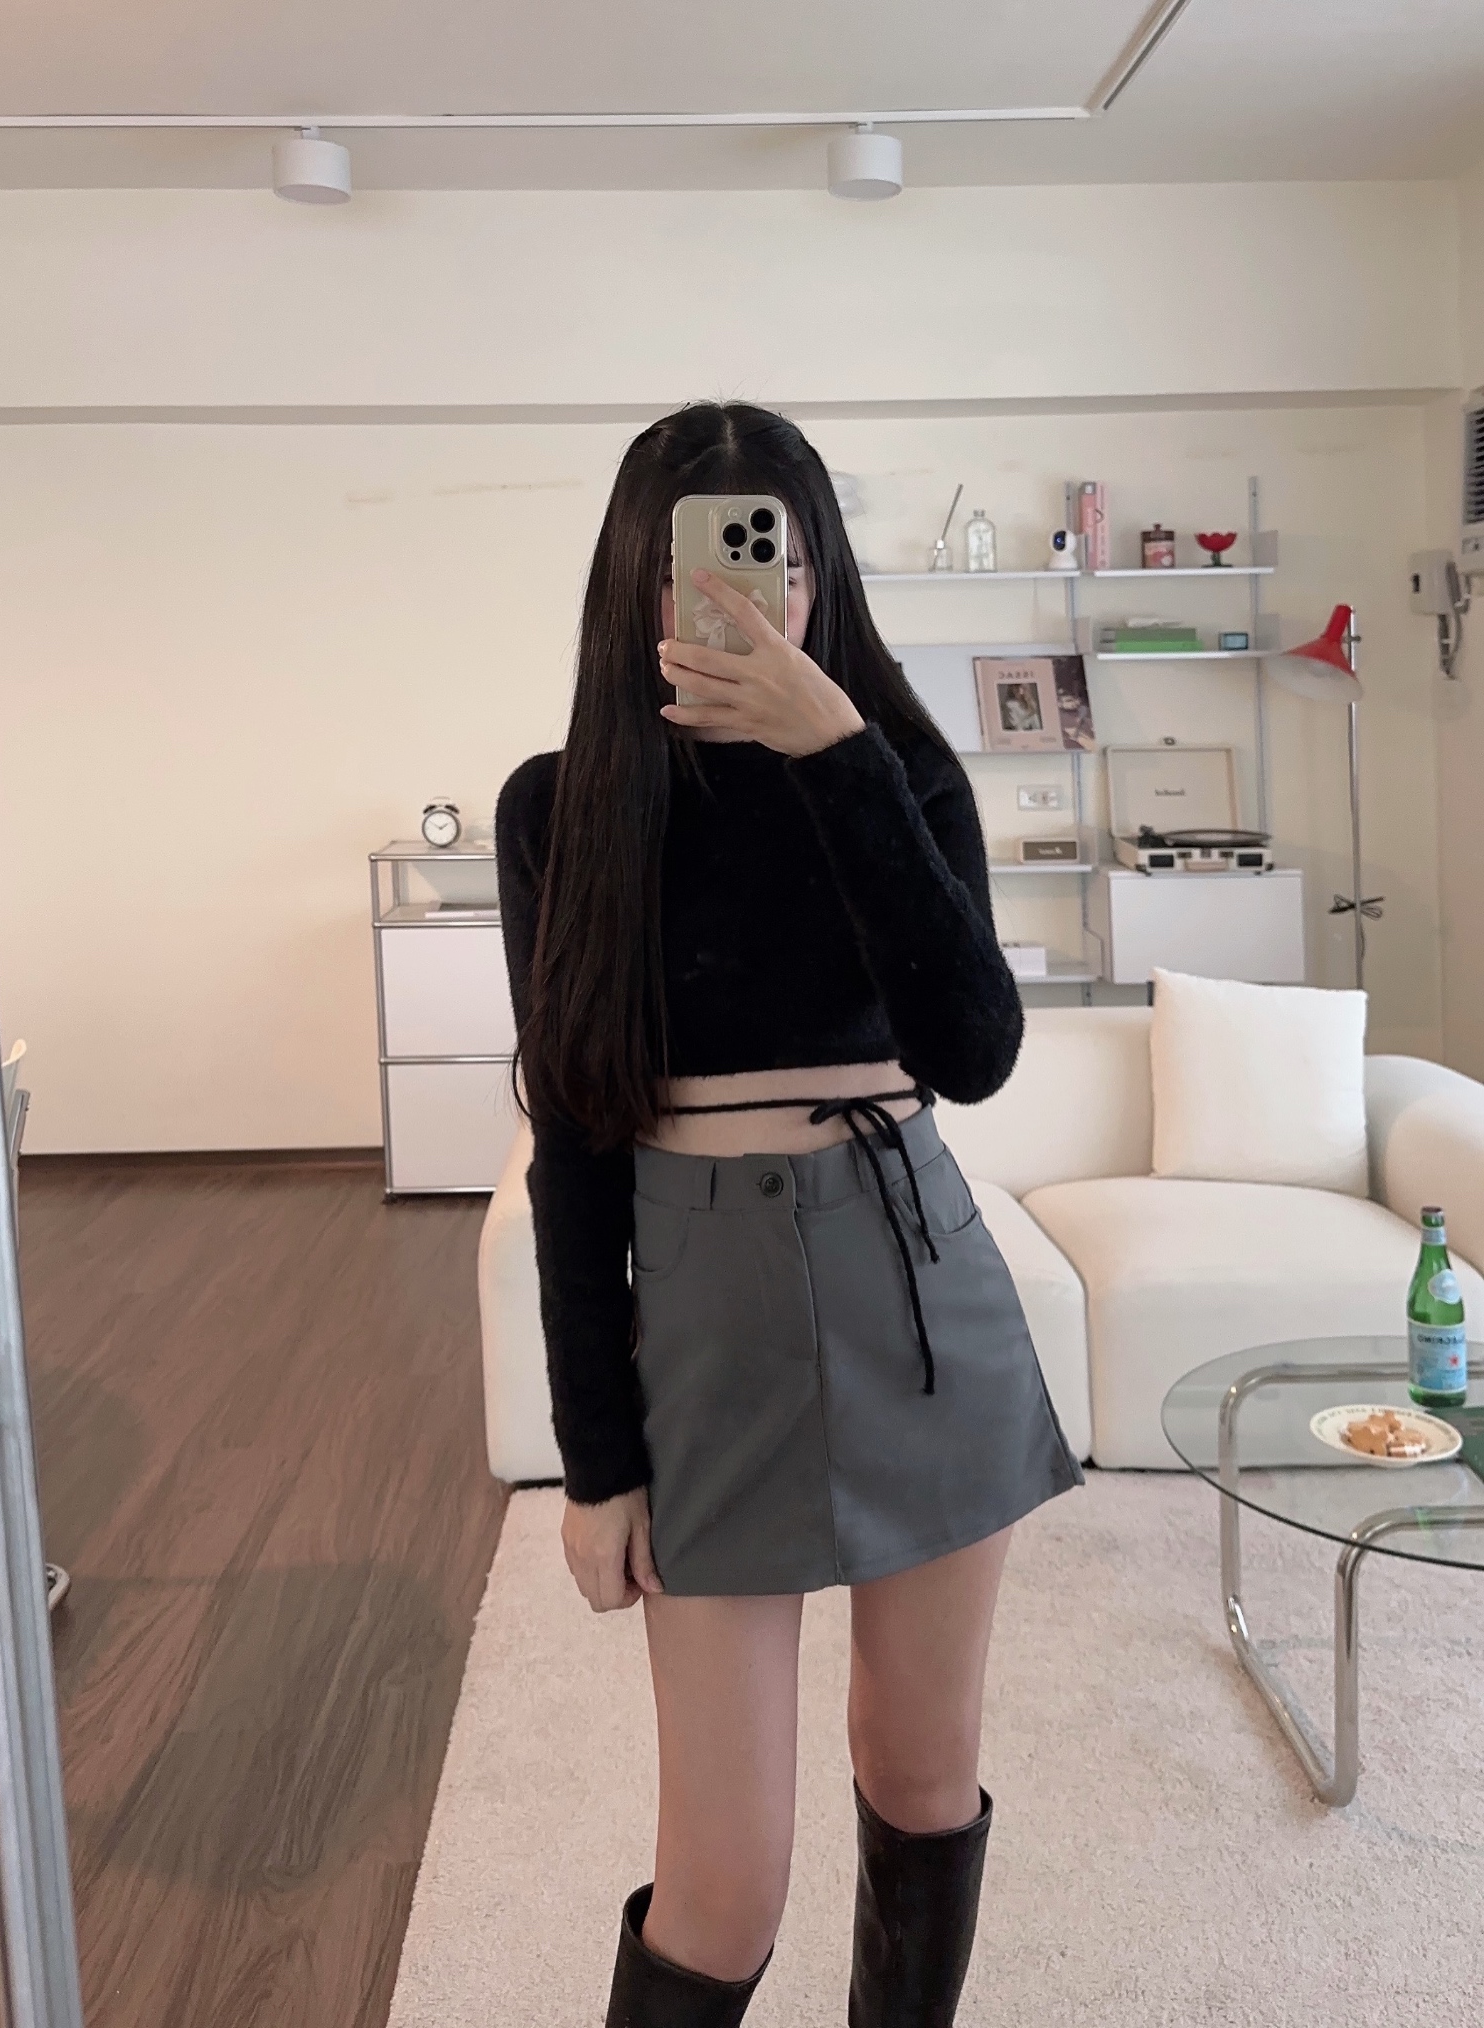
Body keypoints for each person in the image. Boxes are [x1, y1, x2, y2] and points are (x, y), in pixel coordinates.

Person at [495, 401, 1083, 2028]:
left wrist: (841, 759)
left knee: (920, 1771)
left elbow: (974, 1053)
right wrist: (595, 1460)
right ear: (639, 585)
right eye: (703, 568)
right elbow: (573, 1148)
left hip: (918, 1288)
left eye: (786, 562)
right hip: (708, 1321)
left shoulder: (902, 775)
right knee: (726, 1876)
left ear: (826, 576)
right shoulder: (562, 809)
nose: (754, 599)